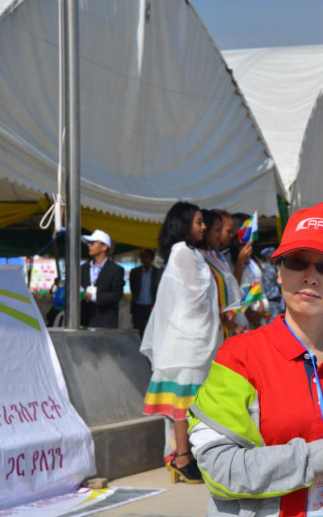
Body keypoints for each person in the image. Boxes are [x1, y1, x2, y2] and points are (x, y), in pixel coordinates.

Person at [188, 202, 323, 517]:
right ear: (279, 270)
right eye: (298, 262)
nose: (311, 277)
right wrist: (322, 454)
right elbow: (220, 470)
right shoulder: (238, 356)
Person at [140, 202, 218, 484]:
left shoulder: (191, 253)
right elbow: (193, 299)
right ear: (183, 224)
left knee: (189, 402)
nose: (203, 226)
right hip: (188, 340)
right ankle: (182, 457)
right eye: (198, 221)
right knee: (185, 403)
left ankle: (185, 455)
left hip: (192, 339)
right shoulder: (183, 252)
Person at [197, 209, 246, 338]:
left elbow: (232, 286)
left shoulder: (215, 255)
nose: (232, 235)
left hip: (227, 324)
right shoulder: (199, 257)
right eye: (218, 231)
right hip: (216, 327)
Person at [80, 229, 124, 328]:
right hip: (84, 320)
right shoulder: (83, 268)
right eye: (88, 243)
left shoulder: (115, 270)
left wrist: (93, 297)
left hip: (106, 322)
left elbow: (117, 295)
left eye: (92, 243)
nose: (89, 245)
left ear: (104, 247)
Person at [130, 249, 161, 339]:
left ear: (152, 259)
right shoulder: (135, 272)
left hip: (152, 306)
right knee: (138, 331)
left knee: (153, 331)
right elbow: (133, 288)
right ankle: (137, 350)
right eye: (143, 257)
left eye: (147, 257)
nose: (144, 259)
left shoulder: (157, 272)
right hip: (138, 306)